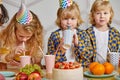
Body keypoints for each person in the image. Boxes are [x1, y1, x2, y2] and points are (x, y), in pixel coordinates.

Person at [47, 0, 93, 67]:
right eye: (65, 19)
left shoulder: (83, 34)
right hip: (62, 71)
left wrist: (78, 44)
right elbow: (50, 60)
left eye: (72, 18)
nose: (69, 22)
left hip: (79, 70)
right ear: (60, 19)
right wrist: (61, 50)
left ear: (78, 19)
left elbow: (89, 55)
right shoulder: (54, 36)